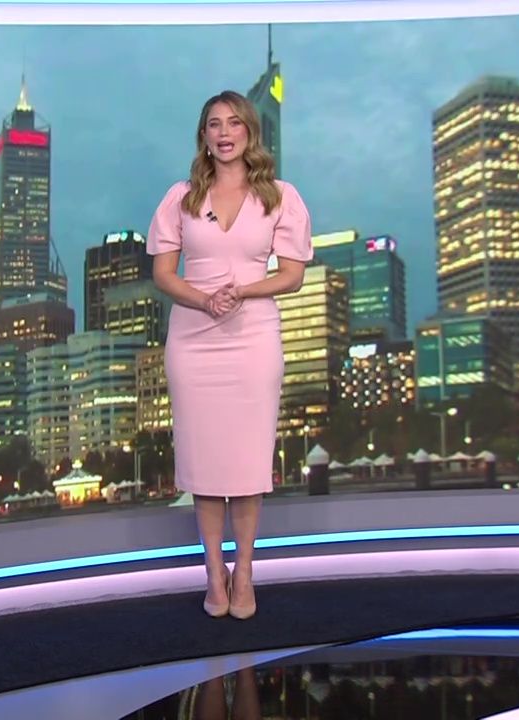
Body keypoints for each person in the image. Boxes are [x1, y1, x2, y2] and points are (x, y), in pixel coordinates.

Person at [145, 90, 313, 620]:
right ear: (204, 135)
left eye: (234, 123)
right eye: (214, 124)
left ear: (249, 133)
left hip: (253, 339)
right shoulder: (181, 198)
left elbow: (292, 274)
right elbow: (163, 273)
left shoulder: (279, 196)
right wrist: (204, 299)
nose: (224, 133)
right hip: (193, 341)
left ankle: (244, 571)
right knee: (205, 465)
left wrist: (242, 291)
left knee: (245, 465)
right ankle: (213, 571)